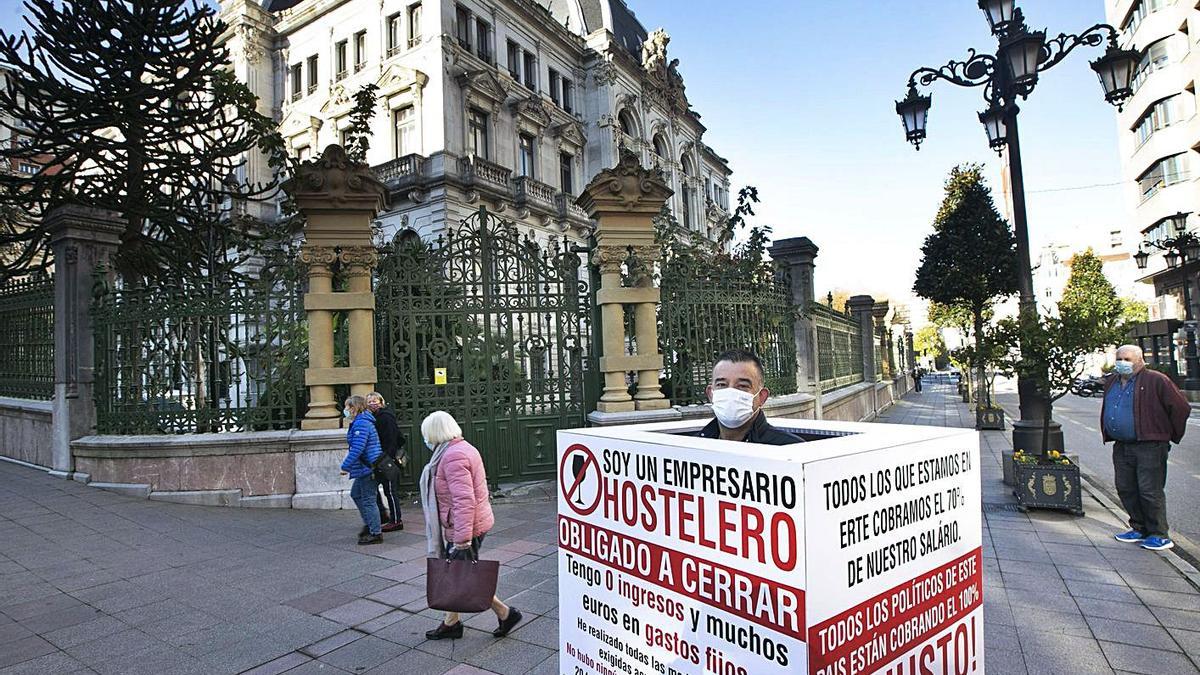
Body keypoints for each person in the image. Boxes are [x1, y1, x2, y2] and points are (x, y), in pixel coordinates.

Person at [418, 410, 523, 640]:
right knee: (459, 573)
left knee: (463, 575)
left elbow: (464, 500)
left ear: (435, 433)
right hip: (467, 525)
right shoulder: (458, 449)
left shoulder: (452, 456)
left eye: (426, 434)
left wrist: (462, 538)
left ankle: (505, 613)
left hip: (466, 528)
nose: (425, 439)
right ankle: (452, 622)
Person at [1101, 344, 1190, 551]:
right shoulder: (1113, 381)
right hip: (1122, 444)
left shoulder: (1156, 380)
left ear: (1140, 360)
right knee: (1126, 487)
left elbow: (1180, 408)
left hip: (1150, 445)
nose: (1122, 363)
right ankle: (1138, 527)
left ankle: (1159, 533)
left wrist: (1167, 434)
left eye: (1127, 359)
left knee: (1150, 490)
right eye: (1119, 358)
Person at [692, 349, 803, 445]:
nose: (731, 392)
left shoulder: (789, 449)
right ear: (711, 394)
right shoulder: (694, 447)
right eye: (722, 385)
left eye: (742, 386)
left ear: (761, 397)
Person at [340, 395, 385, 545]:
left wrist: (345, 466)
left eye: (347, 407)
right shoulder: (362, 421)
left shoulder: (361, 424)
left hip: (368, 468)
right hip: (365, 467)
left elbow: (358, 448)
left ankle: (375, 532)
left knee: (368, 500)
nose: (345, 410)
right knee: (356, 494)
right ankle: (370, 524)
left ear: (354, 408)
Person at [367, 392, 406, 532]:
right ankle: (384, 515)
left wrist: (386, 458)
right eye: (369, 401)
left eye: (375, 400)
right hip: (381, 458)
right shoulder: (374, 417)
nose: (372, 403)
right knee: (376, 488)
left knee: (390, 490)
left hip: (386, 459)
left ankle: (396, 520)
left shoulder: (385, 417)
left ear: (381, 401)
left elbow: (391, 439)